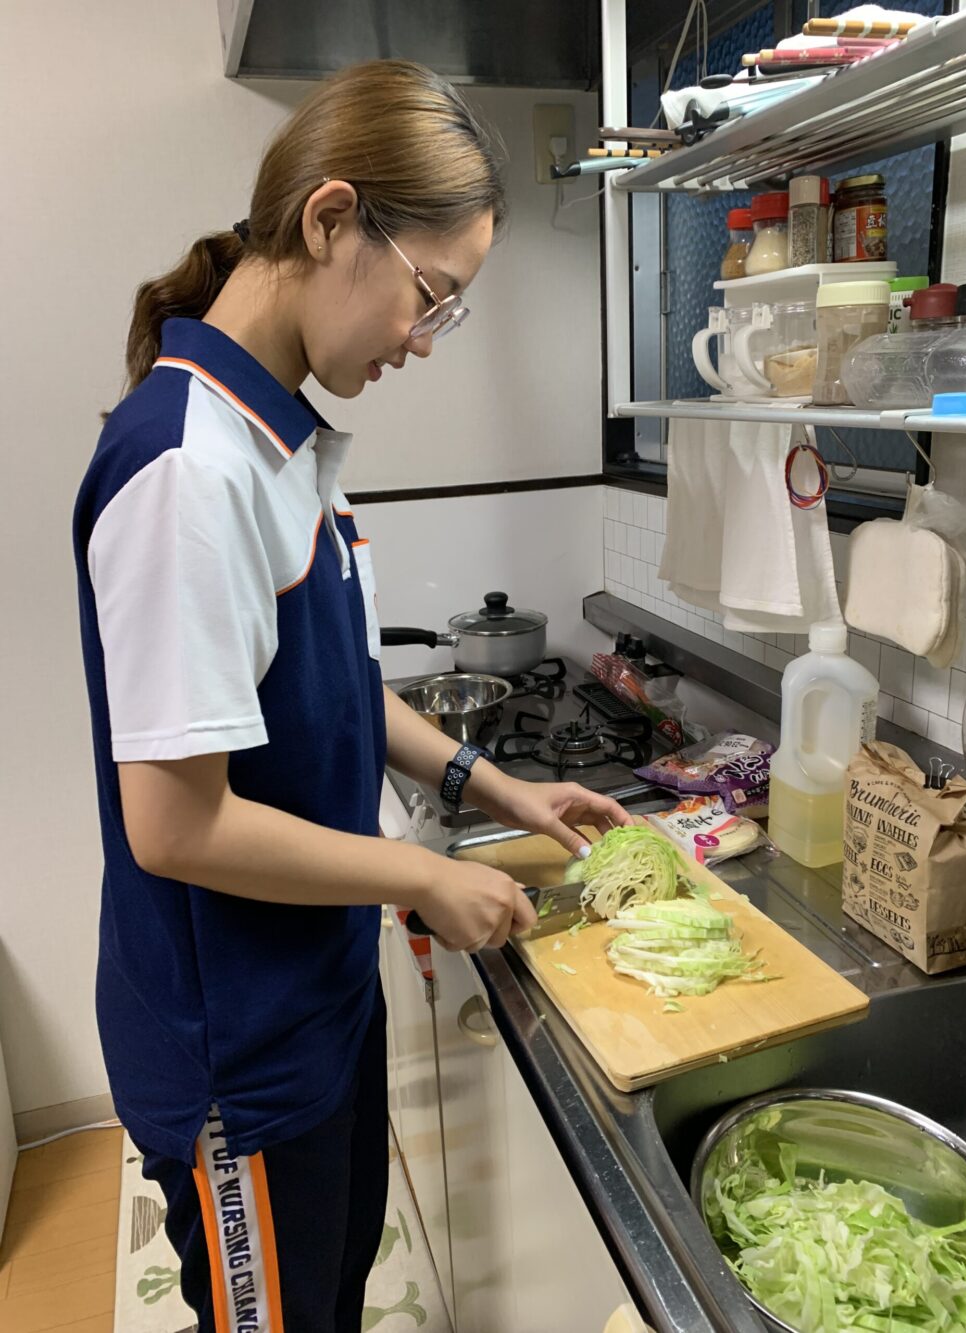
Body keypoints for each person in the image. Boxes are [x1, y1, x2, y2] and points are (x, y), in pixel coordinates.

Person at [72, 58, 631, 1333]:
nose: (420, 342)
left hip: (316, 1003)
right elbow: (176, 825)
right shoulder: (184, 471)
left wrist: (492, 785)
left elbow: (336, 691)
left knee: (329, 1291)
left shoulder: (282, 443)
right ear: (331, 221)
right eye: (428, 297)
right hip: (241, 1057)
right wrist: (423, 875)